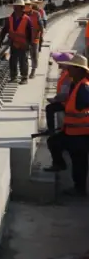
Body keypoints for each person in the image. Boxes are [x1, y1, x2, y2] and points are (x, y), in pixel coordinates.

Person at [46, 54, 89, 197]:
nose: (68, 70)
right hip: (71, 131)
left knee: (79, 163)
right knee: (53, 142)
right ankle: (61, 165)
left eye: (71, 68)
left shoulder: (84, 88)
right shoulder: (75, 84)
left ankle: (79, 189)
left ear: (79, 70)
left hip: (80, 135)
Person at [0, 0, 35, 85]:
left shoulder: (27, 19)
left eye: (19, 8)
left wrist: (30, 44)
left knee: (23, 61)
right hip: (14, 43)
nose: (16, 9)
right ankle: (13, 77)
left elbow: (31, 32)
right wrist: (1, 40)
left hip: (23, 44)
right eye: (15, 8)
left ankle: (24, 77)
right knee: (13, 61)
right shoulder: (10, 18)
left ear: (22, 8)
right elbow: (5, 29)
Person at [27, 0, 45, 78]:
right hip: (26, 38)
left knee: (34, 54)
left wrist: (41, 35)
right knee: (27, 55)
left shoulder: (36, 14)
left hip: (35, 37)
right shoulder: (22, 14)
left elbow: (41, 25)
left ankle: (33, 70)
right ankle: (24, 72)